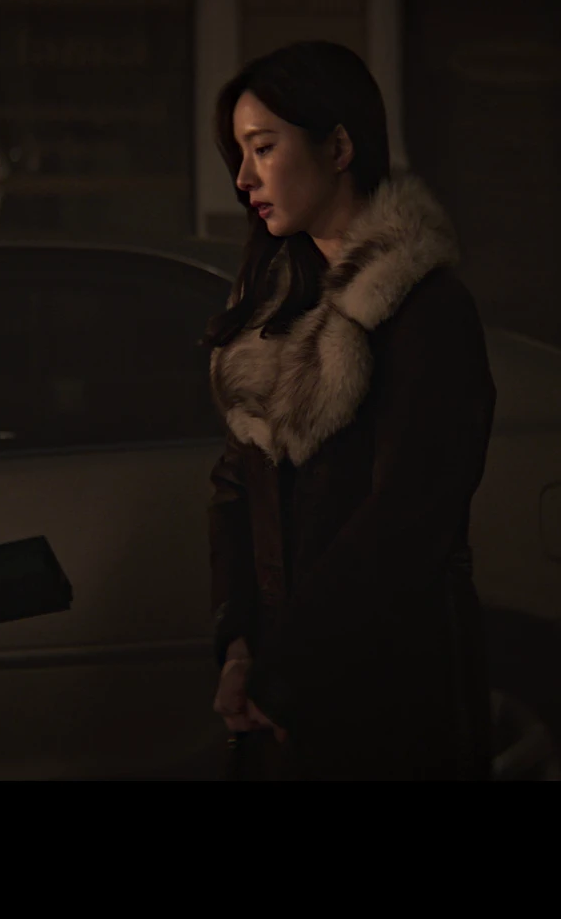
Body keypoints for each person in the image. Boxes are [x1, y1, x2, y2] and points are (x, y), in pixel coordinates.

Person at [204, 41, 497, 780]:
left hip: (390, 701)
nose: (244, 179)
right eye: (240, 154)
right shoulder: (272, 314)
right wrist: (239, 647)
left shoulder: (425, 310)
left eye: (263, 148)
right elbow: (236, 490)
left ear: (338, 147)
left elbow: (408, 516)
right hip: (280, 701)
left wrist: (285, 671)